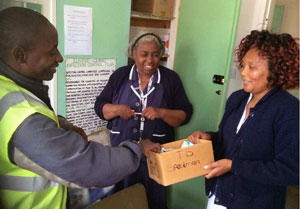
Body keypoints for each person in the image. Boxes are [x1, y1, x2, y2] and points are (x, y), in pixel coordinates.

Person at [0, 7, 161, 209]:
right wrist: (137, 148)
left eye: (155, 55)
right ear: (20, 55)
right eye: (52, 51)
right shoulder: (20, 115)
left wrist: (59, 124)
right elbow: (88, 167)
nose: (60, 58)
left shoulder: (8, 90)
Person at [188, 30, 299, 209]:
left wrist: (234, 166)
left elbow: (291, 170)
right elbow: (230, 141)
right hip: (219, 195)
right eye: (242, 65)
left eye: (252, 67)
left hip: (255, 202)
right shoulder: (237, 99)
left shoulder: (289, 110)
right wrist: (209, 138)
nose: (243, 73)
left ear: (275, 70)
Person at [94, 32, 193, 209]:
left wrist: (161, 113)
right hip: (122, 154)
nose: (150, 60)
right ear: (134, 54)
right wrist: (118, 109)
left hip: (156, 156)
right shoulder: (120, 76)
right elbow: (100, 108)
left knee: (154, 200)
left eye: (156, 55)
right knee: (122, 199)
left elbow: (184, 115)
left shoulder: (170, 79)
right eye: (144, 54)